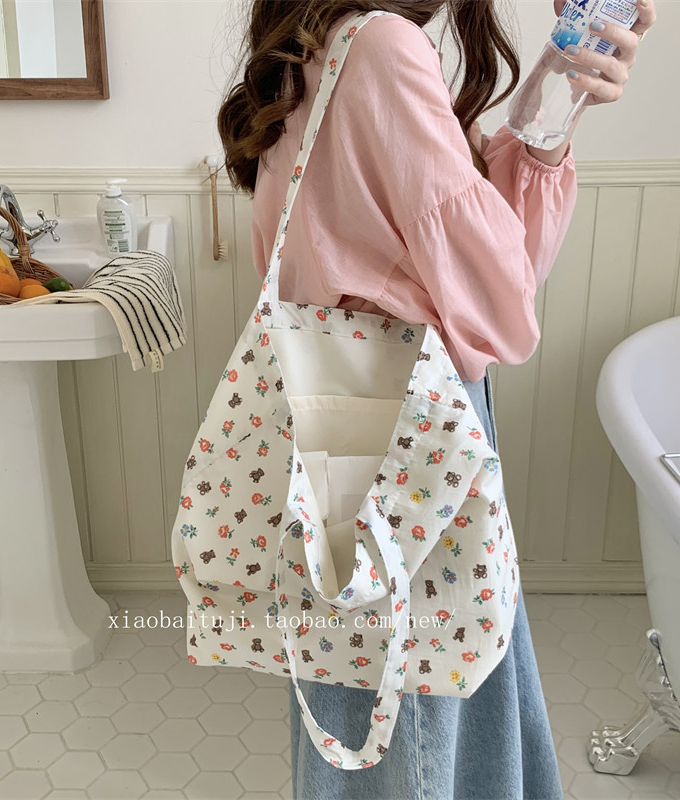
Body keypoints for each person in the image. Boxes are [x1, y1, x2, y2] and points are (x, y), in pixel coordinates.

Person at [217, 1, 656, 797]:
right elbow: (500, 304)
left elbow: (479, 265)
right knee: (423, 715)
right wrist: (550, 114)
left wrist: (551, 100)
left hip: (342, 412)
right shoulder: (383, 46)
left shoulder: (314, 41)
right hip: (407, 424)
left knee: (372, 693)